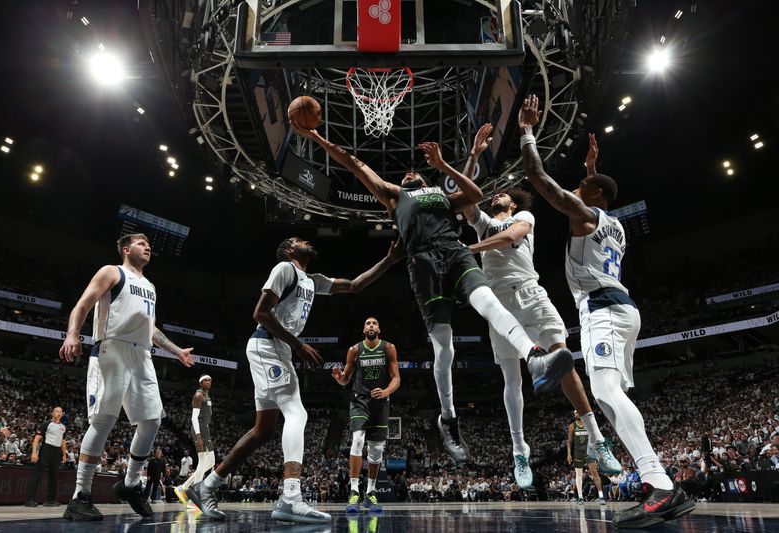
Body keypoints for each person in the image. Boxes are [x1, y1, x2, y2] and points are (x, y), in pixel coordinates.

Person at [291, 121, 574, 465]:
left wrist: (454, 162)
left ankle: (535, 357)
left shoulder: (441, 194)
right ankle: (449, 418)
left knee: (488, 302)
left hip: (455, 251)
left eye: (416, 173)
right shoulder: (393, 195)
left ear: (425, 180)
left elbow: (474, 195)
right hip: (422, 263)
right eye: (407, 174)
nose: (410, 173)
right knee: (446, 349)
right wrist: (317, 137)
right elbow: (354, 163)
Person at [518, 94, 695, 528]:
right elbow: (594, 200)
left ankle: (662, 485)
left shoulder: (583, 212)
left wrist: (526, 131)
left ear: (593, 195)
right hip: (621, 307)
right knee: (609, 395)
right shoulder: (612, 223)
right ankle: (657, 484)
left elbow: (539, 179)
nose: (576, 191)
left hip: (602, 310)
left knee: (607, 394)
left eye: (583, 188)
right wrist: (592, 171)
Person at [188, 236, 402, 523]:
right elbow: (260, 313)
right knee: (297, 413)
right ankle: (290, 497)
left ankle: (207, 486)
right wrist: (298, 345)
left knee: (263, 431)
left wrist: (389, 260)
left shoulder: (311, 280)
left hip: (278, 349)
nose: (307, 241)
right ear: (290, 249)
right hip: (268, 346)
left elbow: (354, 285)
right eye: (300, 240)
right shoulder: (284, 269)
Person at [462, 124, 620, 488]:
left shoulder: (524, 218)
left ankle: (598, 440)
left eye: (502, 194)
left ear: (513, 203)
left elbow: (511, 238)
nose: (495, 196)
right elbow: (465, 198)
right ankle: (520, 449)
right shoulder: (483, 224)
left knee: (564, 360)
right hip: (500, 302)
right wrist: (473, 155)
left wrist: (468, 251)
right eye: (494, 194)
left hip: (531, 293)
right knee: (511, 379)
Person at [59, 233, 195, 521]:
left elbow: (152, 330)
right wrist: (72, 334)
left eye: (149, 245)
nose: (148, 247)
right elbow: (82, 305)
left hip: (142, 355)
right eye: (141, 243)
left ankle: (131, 484)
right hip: (112, 347)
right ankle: (80, 495)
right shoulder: (112, 272)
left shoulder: (150, 286)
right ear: (125, 248)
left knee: (152, 421)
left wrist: (176, 351)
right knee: (104, 420)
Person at [332, 316, 400, 513]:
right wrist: (340, 379)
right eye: (368, 323)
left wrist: (387, 391)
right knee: (358, 440)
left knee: (376, 449)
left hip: (380, 402)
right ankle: (354, 492)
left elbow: (396, 377)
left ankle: (370, 493)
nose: (371, 325)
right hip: (360, 400)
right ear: (364, 330)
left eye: (375, 323)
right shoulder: (354, 350)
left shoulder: (388, 348)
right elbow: (346, 379)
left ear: (379, 329)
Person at [175, 375, 215, 507]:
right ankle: (193, 499)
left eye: (209, 380)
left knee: (210, 462)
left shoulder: (207, 395)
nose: (208, 382)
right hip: (200, 429)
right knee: (203, 462)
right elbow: (194, 418)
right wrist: (198, 436)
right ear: (200, 383)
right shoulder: (198, 395)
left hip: (205, 429)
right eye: (205, 380)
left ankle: (184, 487)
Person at [25, 406, 68, 507]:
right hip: (46, 449)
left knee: (54, 476)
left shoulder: (63, 426)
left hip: (57, 452)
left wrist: (64, 454)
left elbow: (63, 441)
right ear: (52, 413)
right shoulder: (46, 424)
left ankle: (50, 500)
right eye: (56, 411)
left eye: (60, 412)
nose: (58, 413)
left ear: (62, 414)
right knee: (37, 474)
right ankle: (30, 500)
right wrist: (34, 453)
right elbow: (36, 439)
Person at [567, 410, 605, 504]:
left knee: (594, 473)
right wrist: (569, 454)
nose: (578, 413)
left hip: (589, 451)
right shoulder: (572, 426)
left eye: (579, 412)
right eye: (576, 412)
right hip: (577, 452)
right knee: (579, 475)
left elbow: (595, 438)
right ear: (574, 415)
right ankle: (580, 497)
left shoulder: (588, 425)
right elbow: (569, 441)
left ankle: (601, 496)